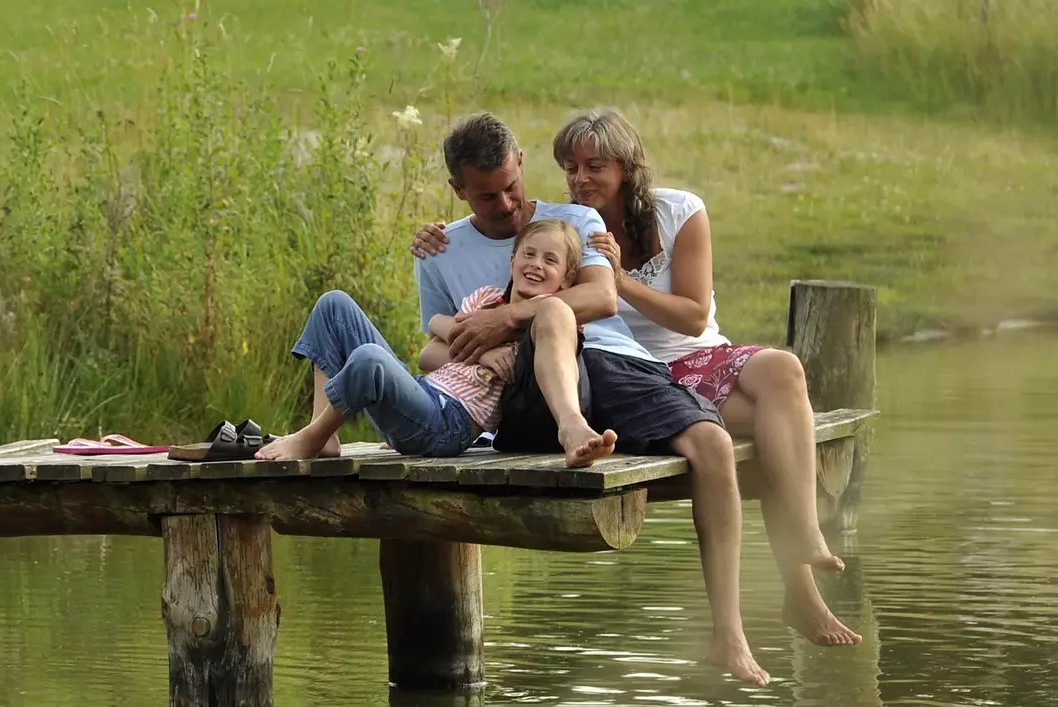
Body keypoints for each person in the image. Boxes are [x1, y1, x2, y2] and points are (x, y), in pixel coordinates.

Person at [412, 112, 846, 685]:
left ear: (521, 165)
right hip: (531, 385)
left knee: (714, 442)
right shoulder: (440, 249)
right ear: (458, 190)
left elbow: (603, 297)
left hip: (619, 360)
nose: (507, 205)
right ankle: (574, 429)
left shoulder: (572, 220)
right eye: (487, 196)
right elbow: (436, 346)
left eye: (513, 187)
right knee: (561, 330)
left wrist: (510, 316)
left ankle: (730, 635)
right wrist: (486, 348)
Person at [255, 219, 593, 461]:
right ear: (512, 260)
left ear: (566, 279)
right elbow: (429, 353)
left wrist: (461, 336)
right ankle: (323, 433)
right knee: (334, 305)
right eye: (529, 254)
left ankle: (309, 440)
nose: (536, 265)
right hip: (425, 394)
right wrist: (482, 355)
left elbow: (551, 331)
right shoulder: (486, 300)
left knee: (370, 359)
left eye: (550, 260)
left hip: (450, 424)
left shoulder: (550, 322)